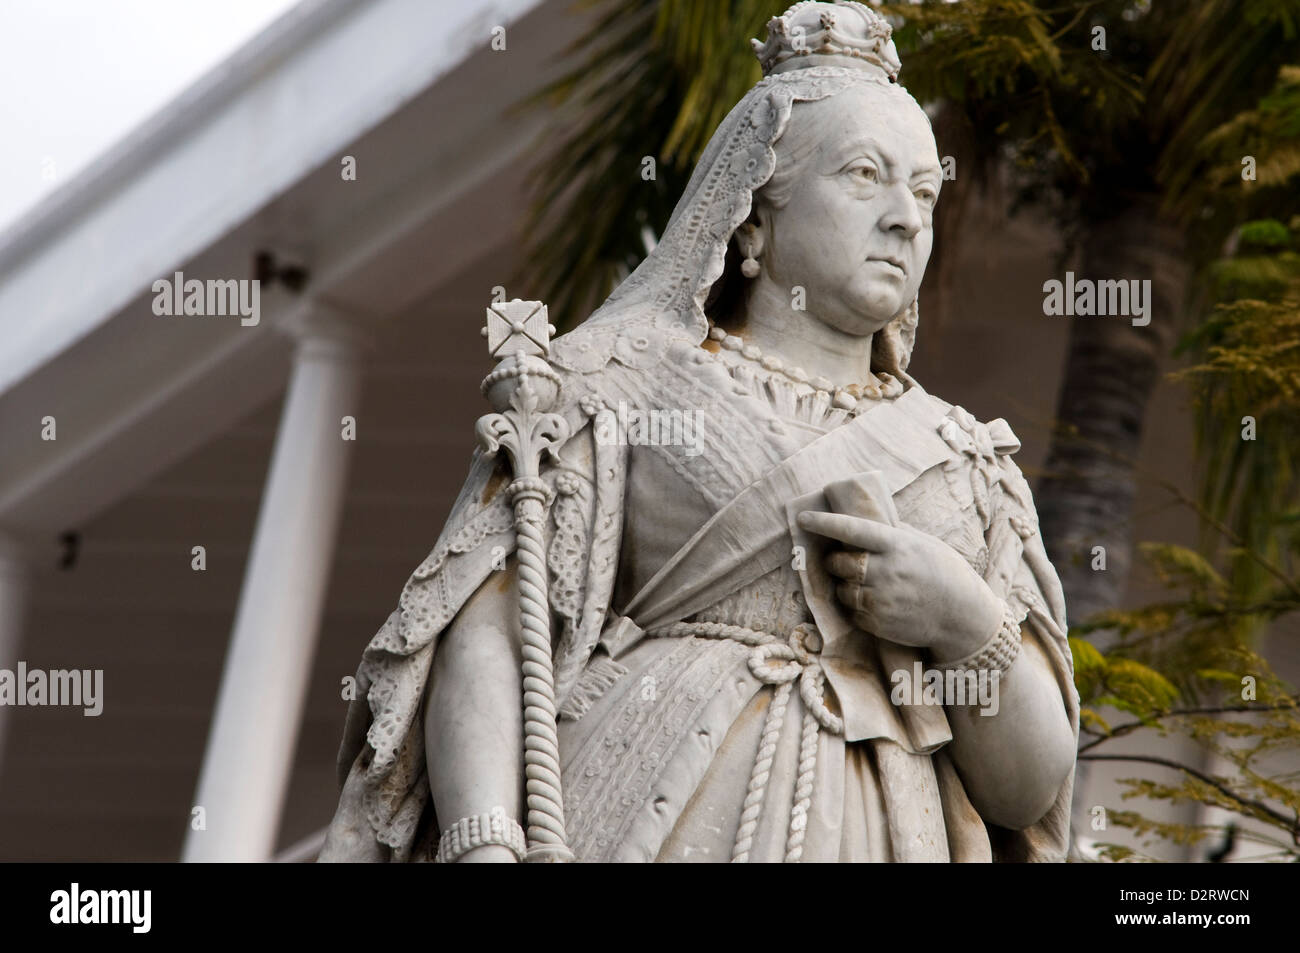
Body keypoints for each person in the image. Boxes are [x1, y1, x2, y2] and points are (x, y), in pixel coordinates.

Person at [320, 0, 1078, 864]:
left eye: (925, 190)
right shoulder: (617, 383)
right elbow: (490, 624)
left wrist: (964, 618)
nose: (907, 217)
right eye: (865, 175)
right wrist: (486, 840)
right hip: (635, 807)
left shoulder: (966, 463)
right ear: (754, 213)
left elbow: (1028, 790)